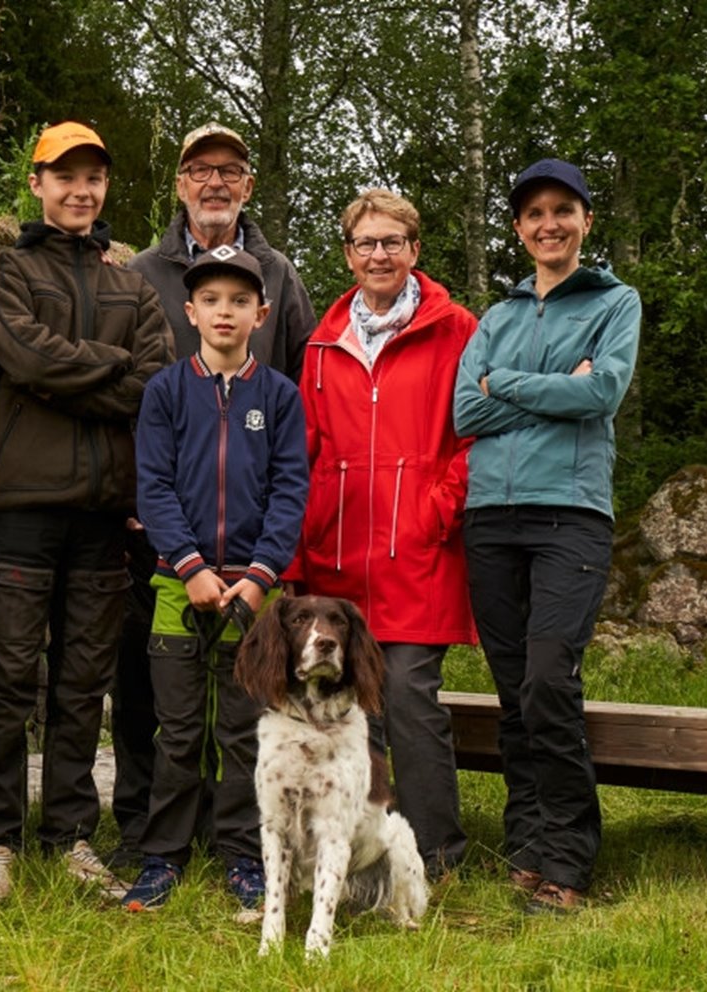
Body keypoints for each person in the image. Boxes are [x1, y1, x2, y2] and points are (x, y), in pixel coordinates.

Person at [0, 121, 173, 904]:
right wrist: (111, 366)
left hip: (103, 517)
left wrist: (71, 374)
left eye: (93, 177)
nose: (80, 191)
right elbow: (23, 357)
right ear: (37, 183)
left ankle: (71, 836)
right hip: (21, 506)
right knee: (10, 680)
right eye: (65, 176)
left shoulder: (133, 286)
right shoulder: (6, 270)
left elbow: (154, 384)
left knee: (83, 682)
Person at [111, 121, 316, 865]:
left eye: (230, 168)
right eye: (199, 168)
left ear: (257, 313)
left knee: (242, 722)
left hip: (254, 579)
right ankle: (157, 849)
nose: (214, 181)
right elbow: (152, 473)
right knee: (164, 714)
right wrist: (186, 559)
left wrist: (265, 571)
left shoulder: (282, 283)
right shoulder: (141, 276)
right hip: (172, 566)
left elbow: (292, 478)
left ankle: (241, 854)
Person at [453, 158, 641, 914]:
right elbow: (466, 412)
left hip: (571, 514)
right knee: (511, 694)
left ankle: (567, 857)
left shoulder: (614, 301)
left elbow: (603, 391)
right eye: (534, 214)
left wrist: (510, 386)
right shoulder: (495, 317)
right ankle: (526, 844)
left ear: (586, 221)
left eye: (564, 210)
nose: (549, 224)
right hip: (491, 519)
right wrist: (554, 389)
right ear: (519, 230)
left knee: (547, 682)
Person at [288, 189, 478, 881]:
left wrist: (437, 509)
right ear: (347, 254)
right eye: (365, 243)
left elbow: (475, 436)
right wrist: (301, 541)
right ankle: (349, 853)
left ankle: (435, 854)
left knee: (406, 696)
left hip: (416, 554)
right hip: (335, 562)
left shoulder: (456, 328)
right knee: (332, 710)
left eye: (392, 242)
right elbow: (300, 451)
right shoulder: (319, 342)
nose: (378, 254)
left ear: (414, 250)